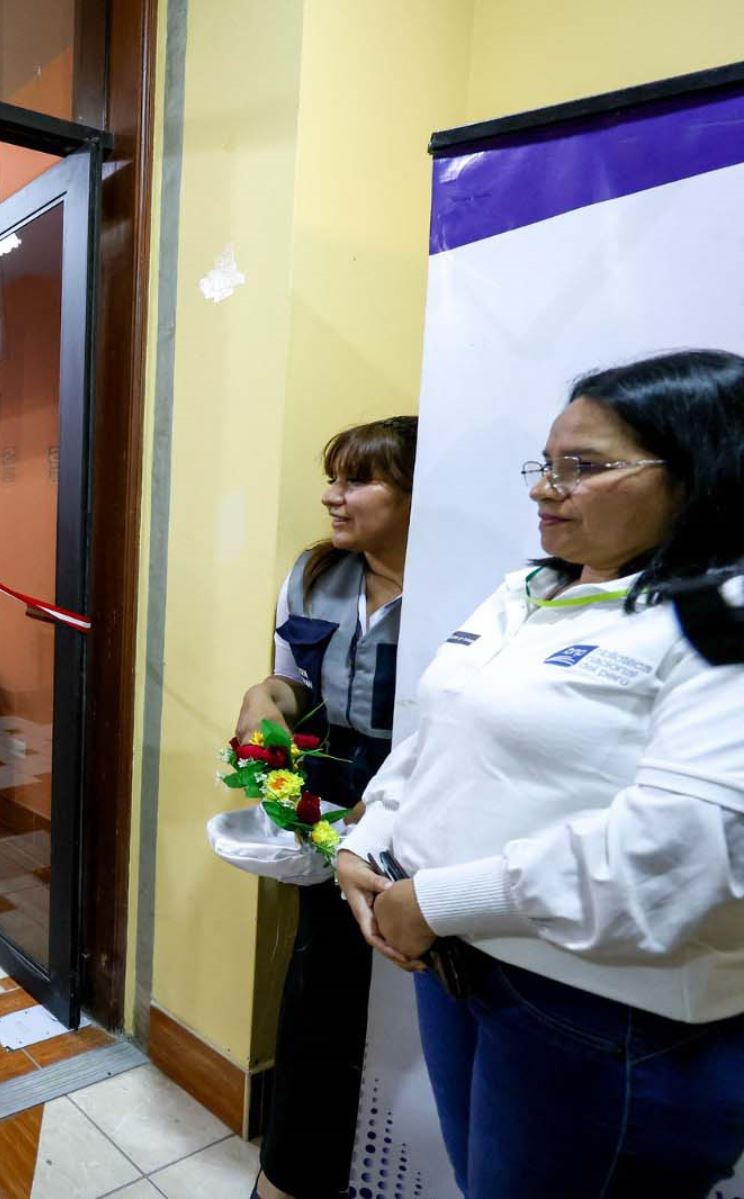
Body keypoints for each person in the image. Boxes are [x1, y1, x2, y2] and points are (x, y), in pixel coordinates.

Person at [338, 350, 744, 1197]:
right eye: (547, 464)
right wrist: (370, 840)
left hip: (600, 1015)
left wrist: (432, 899)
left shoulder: (722, 616)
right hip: (459, 968)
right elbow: (438, 732)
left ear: (702, 469)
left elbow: (684, 851)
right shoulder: (530, 589)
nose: (542, 489)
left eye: (583, 468)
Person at [235, 416, 420, 1199]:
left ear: (419, 493)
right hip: (329, 794)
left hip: (421, 794)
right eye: (332, 477)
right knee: (320, 991)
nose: (330, 497)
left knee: (411, 997)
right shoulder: (314, 575)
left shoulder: (473, 590)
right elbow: (292, 686)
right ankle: (290, 1178)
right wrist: (263, 698)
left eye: (355, 481)